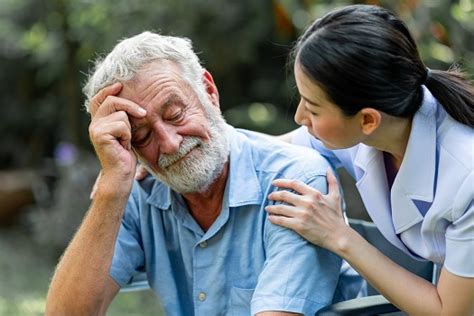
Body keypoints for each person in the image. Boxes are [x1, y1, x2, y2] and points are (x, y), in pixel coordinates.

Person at [45, 31, 363, 316]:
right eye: (141, 137)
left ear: (209, 92)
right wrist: (111, 189)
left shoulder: (295, 180)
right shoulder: (137, 192)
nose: (169, 144)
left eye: (175, 113)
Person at [264, 4, 474, 315]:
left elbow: (449, 312)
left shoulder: (467, 178)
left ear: (367, 120)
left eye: (313, 107)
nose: (298, 116)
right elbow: (273, 150)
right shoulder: (379, 123)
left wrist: (339, 236)